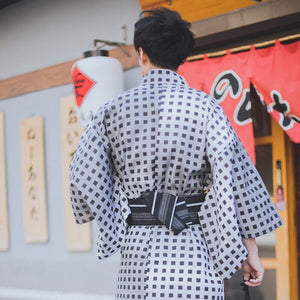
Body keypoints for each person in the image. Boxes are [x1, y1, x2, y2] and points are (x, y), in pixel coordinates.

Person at [70, 7, 283, 299]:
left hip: (137, 258)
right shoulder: (206, 108)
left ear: (141, 53)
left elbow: (83, 178)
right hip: (193, 249)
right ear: (183, 58)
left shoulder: (111, 112)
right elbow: (237, 180)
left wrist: (113, 212)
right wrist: (251, 250)